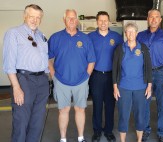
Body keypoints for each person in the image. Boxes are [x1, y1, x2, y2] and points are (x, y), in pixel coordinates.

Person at [3, 4, 49, 142]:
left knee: (38, 121)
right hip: (24, 80)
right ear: (24, 16)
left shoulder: (41, 36)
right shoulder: (14, 33)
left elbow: (45, 58)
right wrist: (16, 87)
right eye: (31, 17)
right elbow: (8, 64)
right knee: (21, 121)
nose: (34, 20)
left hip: (42, 80)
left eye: (38, 17)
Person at [48, 9, 96, 142]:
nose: (72, 20)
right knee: (63, 110)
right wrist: (54, 76)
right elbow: (49, 59)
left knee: (80, 109)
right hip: (61, 81)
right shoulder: (55, 37)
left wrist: (86, 76)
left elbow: (91, 60)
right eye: (69, 18)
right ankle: (63, 139)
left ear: (77, 20)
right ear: (64, 20)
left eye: (74, 18)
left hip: (81, 81)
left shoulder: (85, 39)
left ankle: (81, 138)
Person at [137, 9, 163, 142]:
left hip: (161, 73)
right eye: (151, 17)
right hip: (144, 73)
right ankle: (145, 130)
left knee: (162, 104)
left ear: (160, 20)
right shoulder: (140, 36)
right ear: (147, 19)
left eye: (156, 17)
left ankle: (162, 132)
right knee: (144, 103)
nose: (153, 19)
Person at [113, 21, 152, 142]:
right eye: (128, 31)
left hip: (140, 87)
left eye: (133, 31)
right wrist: (115, 87)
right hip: (123, 87)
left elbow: (148, 67)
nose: (130, 34)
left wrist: (149, 86)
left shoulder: (143, 48)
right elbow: (115, 68)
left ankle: (139, 140)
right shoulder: (120, 48)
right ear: (125, 33)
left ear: (136, 33)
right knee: (123, 116)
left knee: (140, 116)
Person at [88, 11, 123, 142]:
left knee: (110, 105)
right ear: (96, 22)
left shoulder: (117, 37)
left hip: (112, 77)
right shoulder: (90, 37)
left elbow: (121, 57)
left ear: (109, 21)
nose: (103, 23)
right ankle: (97, 131)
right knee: (97, 104)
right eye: (100, 20)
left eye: (105, 20)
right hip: (96, 76)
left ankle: (108, 131)